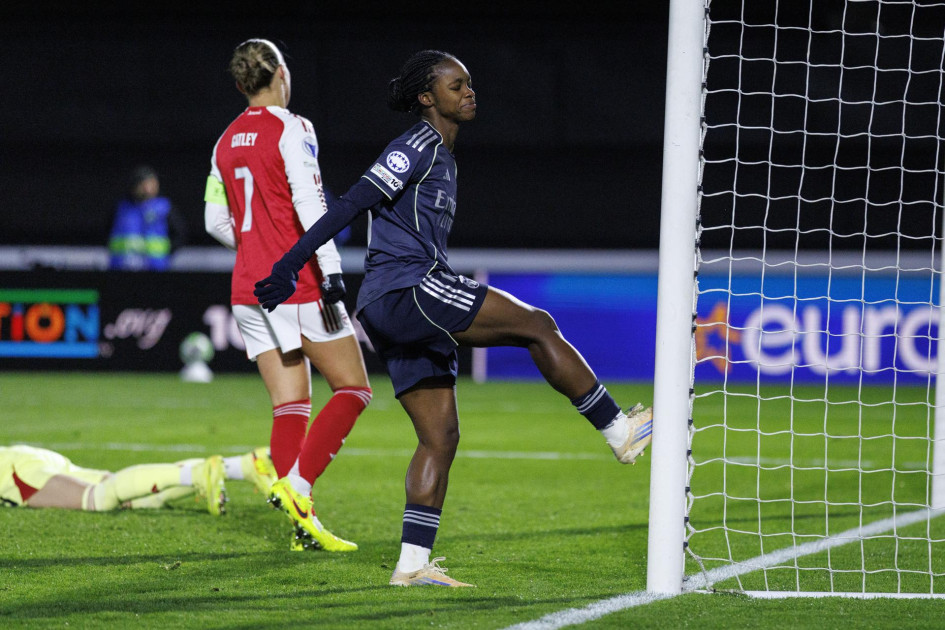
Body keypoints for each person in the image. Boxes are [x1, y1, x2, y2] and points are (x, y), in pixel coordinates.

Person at [254, 50, 654, 587]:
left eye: (469, 84)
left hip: (390, 304)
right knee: (536, 324)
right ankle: (617, 429)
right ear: (427, 97)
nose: (469, 92)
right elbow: (350, 203)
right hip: (408, 288)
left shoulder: (442, 152)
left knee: (439, 437)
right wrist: (290, 264)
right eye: (456, 85)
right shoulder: (417, 144)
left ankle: (412, 565)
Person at [203, 39, 372, 553]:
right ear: (281, 73)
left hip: (246, 287)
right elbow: (310, 200)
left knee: (291, 404)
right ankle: (298, 489)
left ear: (239, 86)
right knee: (353, 388)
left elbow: (214, 221)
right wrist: (334, 272)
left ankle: (304, 527)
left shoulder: (224, 141)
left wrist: (254, 244)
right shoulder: (292, 127)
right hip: (294, 281)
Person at [108, 165, 187, 271]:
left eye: (151, 183)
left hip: (155, 268)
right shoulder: (121, 208)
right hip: (122, 268)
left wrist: (165, 253)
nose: (147, 188)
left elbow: (179, 234)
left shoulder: (164, 207)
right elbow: (107, 231)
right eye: (143, 184)